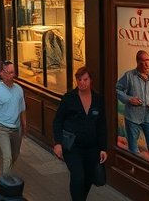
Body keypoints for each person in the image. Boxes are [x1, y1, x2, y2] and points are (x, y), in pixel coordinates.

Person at [52, 66, 108, 201]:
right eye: (79, 79)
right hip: (72, 146)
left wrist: (103, 148)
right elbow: (57, 121)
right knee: (78, 176)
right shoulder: (69, 98)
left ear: (91, 80)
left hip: (92, 147)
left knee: (88, 177)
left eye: (85, 79)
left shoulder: (98, 100)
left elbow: (102, 125)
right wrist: (58, 143)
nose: (82, 82)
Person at [116, 50, 149, 164]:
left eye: (147, 60)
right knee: (133, 149)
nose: (146, 64)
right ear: (137, 62)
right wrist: (129, 99)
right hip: (132, 117)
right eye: (142, 61)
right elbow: (117, 89)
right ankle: (135, 172)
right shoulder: (129, 76)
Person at [0, 61, 26, 178]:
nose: (11, 75)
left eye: (13, 72)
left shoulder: (19, 89)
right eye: (8, 73)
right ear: (1, 73)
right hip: (1, 127)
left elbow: (22, 109)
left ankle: (3, 170)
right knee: (7, 156)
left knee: (15, 154)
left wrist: (24, 126)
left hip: (16, 128)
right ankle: (6, 184)